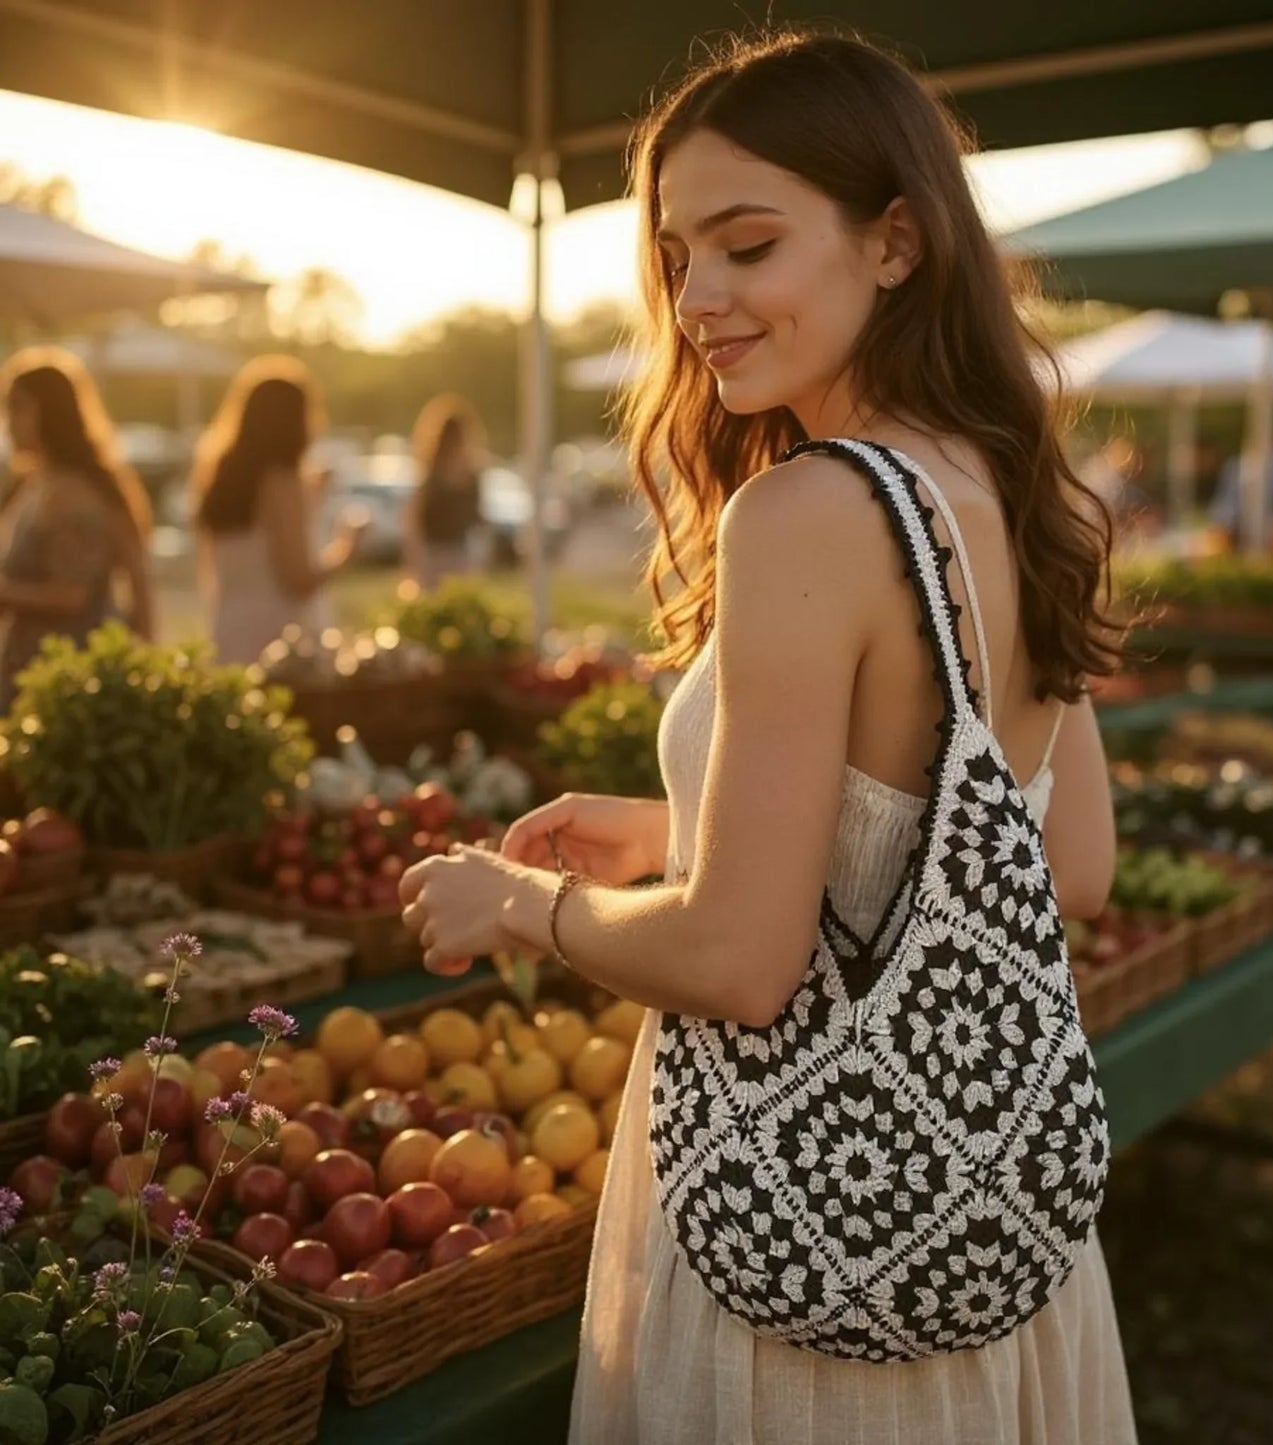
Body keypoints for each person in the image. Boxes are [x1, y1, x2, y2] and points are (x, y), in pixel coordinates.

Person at [398, 31, 1134, 1444]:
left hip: (805, 1265)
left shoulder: (807, 511)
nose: (698, 300)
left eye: (747, 246)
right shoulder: (1020, 486)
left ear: (894, 243)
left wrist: (523, 904)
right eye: (678, 256)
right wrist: (688, 832)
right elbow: (1067, 863)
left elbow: (739, 962)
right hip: (985, 1247)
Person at [0, 348, 154, 706]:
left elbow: (71, 594)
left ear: (49, 413)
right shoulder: (36, 485)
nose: (8, 423)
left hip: (67, 681)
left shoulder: (73, 493)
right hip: (33, 671)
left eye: (18, 408)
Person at [191, 356, 366, 665]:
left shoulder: (222, 477)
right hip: (282, 646)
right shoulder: (282, 481)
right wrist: (347, 546)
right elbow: (298, 580)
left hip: (229, 632)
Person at [404, 393, 485, 589]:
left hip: (459, 550)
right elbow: (417, 521)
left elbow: (477, 519)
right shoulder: (432, 477)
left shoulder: (471, 476)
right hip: (436, 553)